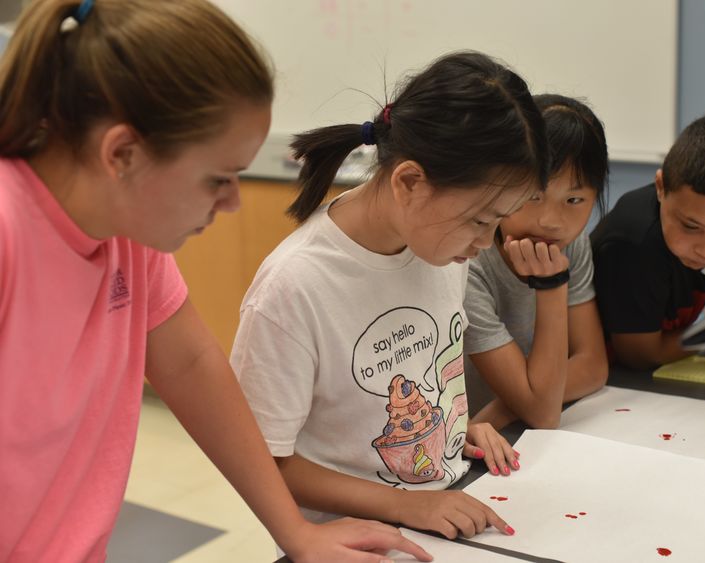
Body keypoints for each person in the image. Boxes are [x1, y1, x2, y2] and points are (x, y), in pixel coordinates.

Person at [0, 1, 432, 562]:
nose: (230, 202)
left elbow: (193, 367)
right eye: (217, 179)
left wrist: (295, 533)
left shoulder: (127, 233)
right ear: (123, 154)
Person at [231, 51, 549, 543]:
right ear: (409, 182)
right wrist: (408, 503)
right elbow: (263, 462)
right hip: (351, 540)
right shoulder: (294, 288)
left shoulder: (441, 249)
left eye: (497, 222)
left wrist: (450, 430)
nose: (486, 244)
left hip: (438, 512)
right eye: (479, 221)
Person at [464, 94, 610, 431]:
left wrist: (509, 406)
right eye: (533, 196)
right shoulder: (468, 258)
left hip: (504, 428)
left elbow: (593, 365)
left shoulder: (570, 243)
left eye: (574, 199)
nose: (551, 221)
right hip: (463, 449)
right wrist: (551, 284)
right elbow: (544, 414)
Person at [590, 110, 705, 370]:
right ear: (661, 188)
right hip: (612, 383)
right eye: (691, 226)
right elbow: (639, 357)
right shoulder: (632, 240)